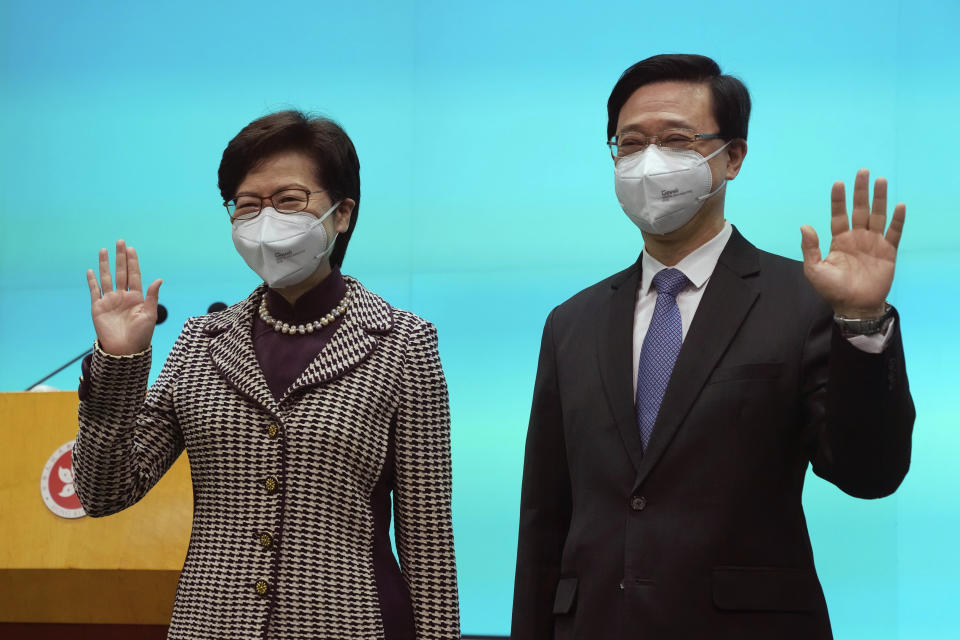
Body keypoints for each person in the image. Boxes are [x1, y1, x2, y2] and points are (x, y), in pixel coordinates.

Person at [510, 54, 914, 640]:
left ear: (733, 157)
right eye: (630, 143)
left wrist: (860, 318)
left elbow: (870, 472)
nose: (650, 163)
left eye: (676, 140)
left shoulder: (799, 302)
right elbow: (545, 520)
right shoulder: (571, 322)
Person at [73, 111, 460, 640]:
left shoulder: (403, 344)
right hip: (213, 626)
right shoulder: (200, 343)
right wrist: (119, 364)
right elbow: (104, 493)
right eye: (247, 206)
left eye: (289, 200)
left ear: (342, 213)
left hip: (350, 624)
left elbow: (429, 543)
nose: (265, 220)